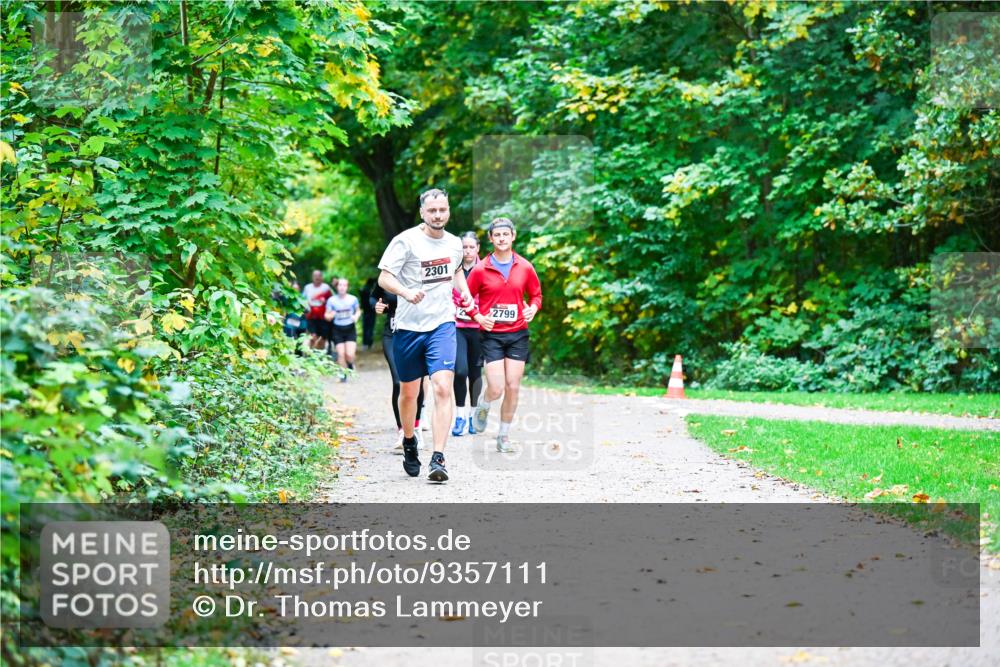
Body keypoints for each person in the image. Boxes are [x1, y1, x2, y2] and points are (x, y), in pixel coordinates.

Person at [377, 187, 474, 482]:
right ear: (422, 212)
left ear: (448, 210)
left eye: (442, 210)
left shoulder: (455, 243)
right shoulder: (405, 241)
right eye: (432, 210)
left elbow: (456, 271)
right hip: (408, 327)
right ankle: (409, 440)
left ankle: (439, 457)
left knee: (443, 387)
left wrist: (466, 295)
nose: (438, 215)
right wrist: (405, 292)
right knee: (410, 392)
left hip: (442, 325)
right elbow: (384, 276)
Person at [466, 218, 542, 453]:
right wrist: (478, 317)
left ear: (513, 236)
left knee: (513, 386)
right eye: (496, 235)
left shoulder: (525, 267)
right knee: (497, 388)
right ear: (490, 238)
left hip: (518, 333)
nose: (501, 239)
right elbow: (465, 299)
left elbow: (536, 296)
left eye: (505, 235)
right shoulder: (481, 269)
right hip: (492, 336)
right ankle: (484, 403)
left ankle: (503, 435)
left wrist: (533, 308)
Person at [372, 284, 426, 450]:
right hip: (392, 334)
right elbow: (373, 297)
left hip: (418, 333)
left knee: (416, 381)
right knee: (398, 382)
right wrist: (377, 306)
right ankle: (403, 430)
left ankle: (416, 428)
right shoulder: (388, 276)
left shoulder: (421, 273)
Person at [451, 231, 483, 437]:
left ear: (478, 248)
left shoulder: (485, 269)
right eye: (464, 247)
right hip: (457, 327)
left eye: (472, 247)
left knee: (475, 374)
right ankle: (459, 415)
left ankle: (473, 416)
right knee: (460, 371)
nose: (468, 251)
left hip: (479, 329)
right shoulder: (454, 269)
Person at [325, 277, 361, 381]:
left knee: (349, 355)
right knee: (341, 354)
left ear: (347, 287)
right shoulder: (331, 300)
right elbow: (326, 315)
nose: (342, 287)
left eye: (344, 285)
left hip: (350, 329)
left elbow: (358, 311)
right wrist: (330, 315)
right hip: (337, 330)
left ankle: (350, 364)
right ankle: (343, 375)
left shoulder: (353, 299)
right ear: (337, 287)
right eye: (340, 285)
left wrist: (356, 316)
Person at [302, 270, 331, 351]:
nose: (317, 277)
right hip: (311, 316)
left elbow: (333, 300)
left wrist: (325, 301)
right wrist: (305, 306)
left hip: (323, 317)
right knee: (312, 337)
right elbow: (301, 299)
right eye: (315, 276)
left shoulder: (326, 287)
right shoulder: (307, 287)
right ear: (312, 277)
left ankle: (319, 355)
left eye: (319, 276)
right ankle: (311, 355)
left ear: (322, 277)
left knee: (322, 339)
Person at [359, 276, 377, 350]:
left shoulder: (363, 290)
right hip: (371, 311)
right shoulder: (371, 291)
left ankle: (365, 343)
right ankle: (369, 343)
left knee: (366, 327)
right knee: (370, 327)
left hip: (366, 312)